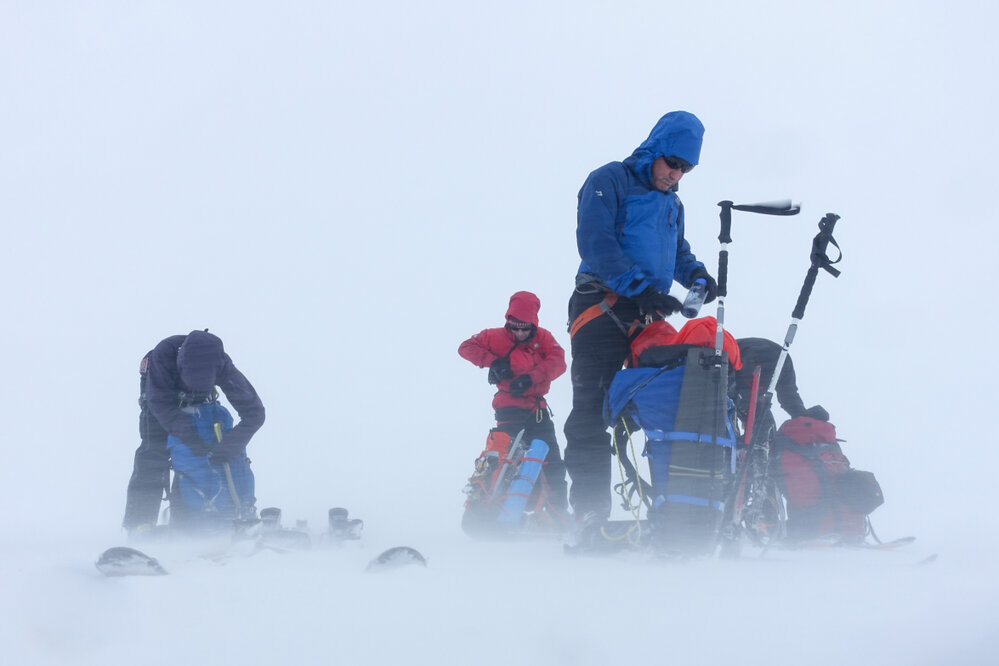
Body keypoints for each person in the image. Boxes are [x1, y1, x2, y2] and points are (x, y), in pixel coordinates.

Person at [564, 111, 718, 524]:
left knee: (665, 402)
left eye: (686, 169)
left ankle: (675, 510)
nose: (676, 175)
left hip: (647, 313)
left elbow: (678, 251)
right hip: (601, 308)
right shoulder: (609, 180)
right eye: (673, 164)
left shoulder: (673, 204)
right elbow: (596, 241)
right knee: (590, 410)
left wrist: (696, 275)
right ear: (655, 150)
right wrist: (640, 288)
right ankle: (591, 514)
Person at [121, 329, 266, 536]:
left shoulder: (221, 364)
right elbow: (160, 405)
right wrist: (190, 438)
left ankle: (223, 514)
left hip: (202, 402)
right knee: (154, 453)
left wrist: (230, 445)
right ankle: (140, 524)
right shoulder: (163, 357)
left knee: (216, 453)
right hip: (158, 396)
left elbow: (255, 413)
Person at [458, 291, 569, 514]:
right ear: (508, 321)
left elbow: (559, 362)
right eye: (515, 326)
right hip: (508, 407)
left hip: (538, 410)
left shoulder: (545, 339)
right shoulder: (494, 336)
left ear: (534, 324)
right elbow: (466, 347)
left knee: (552, 461)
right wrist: (494, 362)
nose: (520, 332)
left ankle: (557, 513)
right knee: (504, 459)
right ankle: (491, 508)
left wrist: (531, 378)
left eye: (525, 327)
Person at [733, 337, 828, 423]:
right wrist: (802, 415)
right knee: (759, 419)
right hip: (779, 356)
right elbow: (788, 395)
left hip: (743, 353)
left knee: (734, 403)